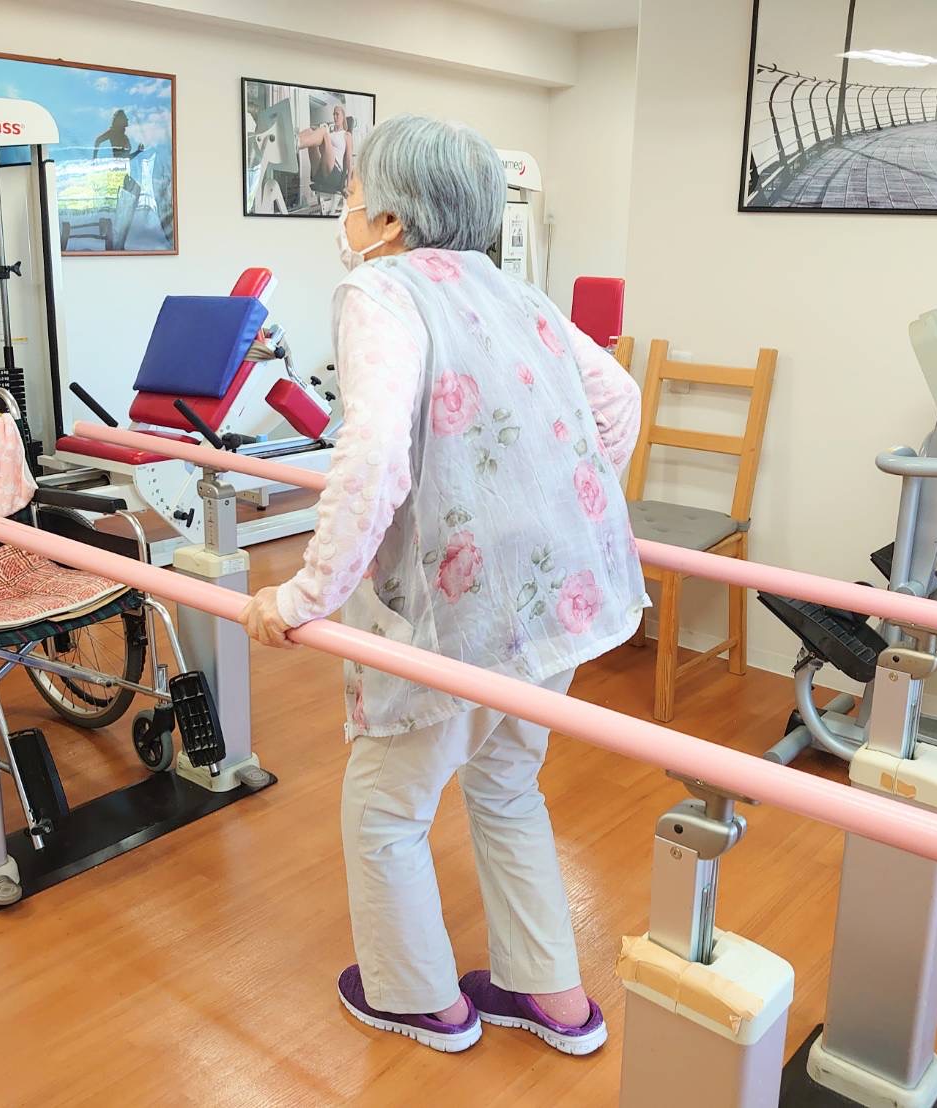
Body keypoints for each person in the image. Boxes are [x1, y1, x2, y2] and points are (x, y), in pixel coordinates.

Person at [242, 114, 647, 1056]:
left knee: (386, 809)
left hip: (454, 612)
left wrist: (303, 595)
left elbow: (375, 453)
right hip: (558, 598)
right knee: (506, 784)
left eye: (351, 197)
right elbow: (616, 400)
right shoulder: (516, 291)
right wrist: (560, 502)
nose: (345, 215)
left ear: (389, 217)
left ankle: (418, 998)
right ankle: (550, 997)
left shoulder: (378, 288)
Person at [298, 101, 353, 201]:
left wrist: (348, 185)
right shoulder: (330, 134)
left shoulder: (346, 135)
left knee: (323, 130)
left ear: (343, 117)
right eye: (334, 114)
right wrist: (315, 132)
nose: (335, 117)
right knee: (311, 130)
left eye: (337, 114)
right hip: (321, 171)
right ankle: (295, 140)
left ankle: (298, 143)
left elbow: (349, 160)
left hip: (334, 172)